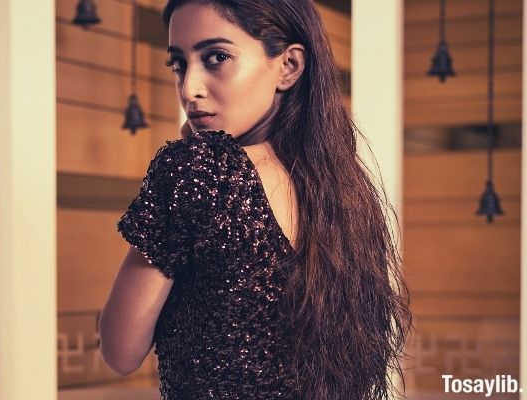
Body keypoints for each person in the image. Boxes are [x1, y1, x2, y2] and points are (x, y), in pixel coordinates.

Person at [99, 0, 414, 399]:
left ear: (288, 66)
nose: (189, 88)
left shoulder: (197, 172)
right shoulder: (346, 193)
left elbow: (120, 350)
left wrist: (180, 180)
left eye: (216, 57)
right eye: (178, 64)